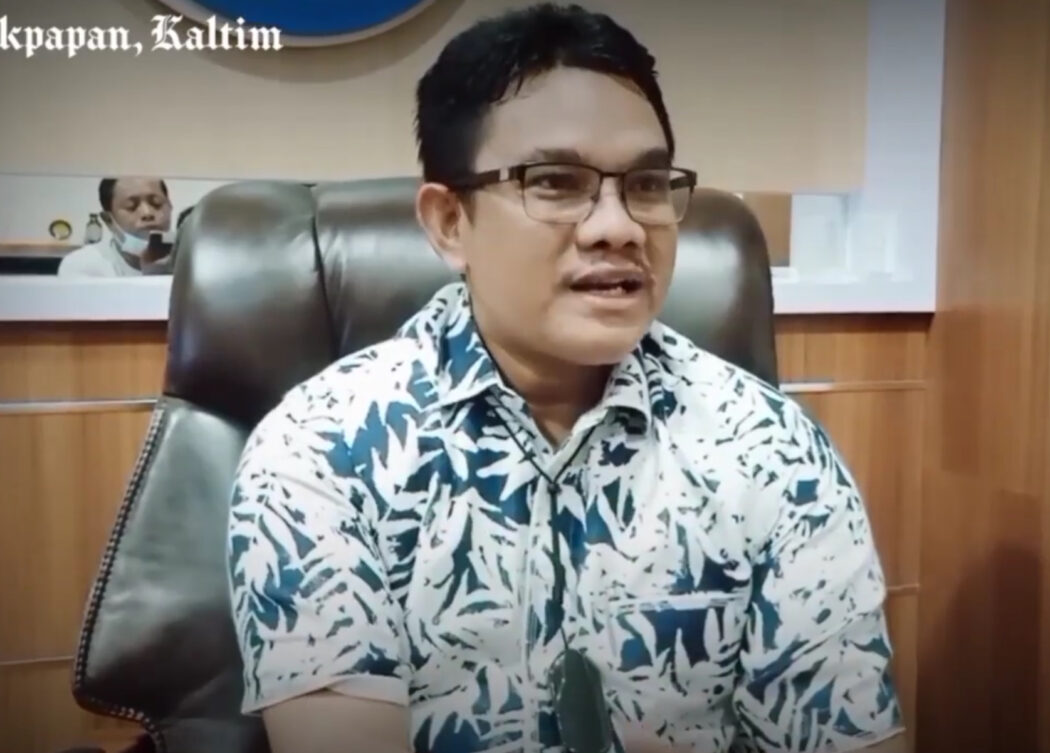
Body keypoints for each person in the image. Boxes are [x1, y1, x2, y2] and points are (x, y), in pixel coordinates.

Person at [226, 4, 908, 752]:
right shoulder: (324, 449)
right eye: (555, 182)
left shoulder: (773, 449)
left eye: (647, 183)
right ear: (450, 223)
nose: (619, 227)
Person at [57, 176, 173, 277]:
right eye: (131, 206)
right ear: (108, 220)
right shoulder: (82, 264)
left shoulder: (184, 261)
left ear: (170, 207)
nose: (147, 213)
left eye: (156, 203)